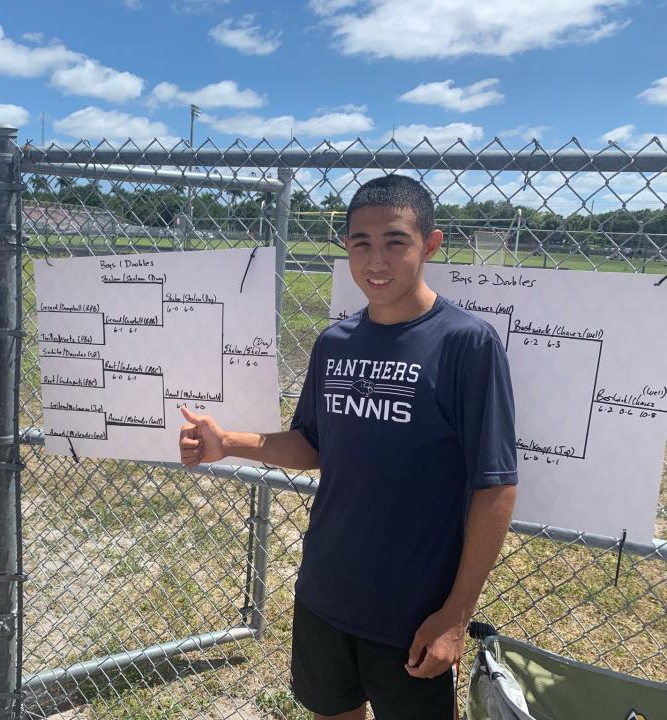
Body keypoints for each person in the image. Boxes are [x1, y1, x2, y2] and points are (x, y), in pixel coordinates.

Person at [179, 175, 517, 720]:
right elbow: (312, 444)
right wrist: (230, 443)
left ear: (430, 244)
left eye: (395, 241)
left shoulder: (465, 344)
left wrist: (456, 613)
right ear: (346, 249)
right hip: (325, 592)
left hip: (413, 608)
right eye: (361, 243)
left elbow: (495, 483)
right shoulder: (335, 343)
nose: (375, 260)